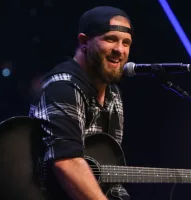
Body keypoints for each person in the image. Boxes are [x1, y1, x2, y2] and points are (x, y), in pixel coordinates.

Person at [29, 5, 133, 200]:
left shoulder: (113, 94)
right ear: (84, 41)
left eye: (126, 43)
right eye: (110, 39)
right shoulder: (62, 86)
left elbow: (108, 173)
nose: (120, 50)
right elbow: (67, 163)